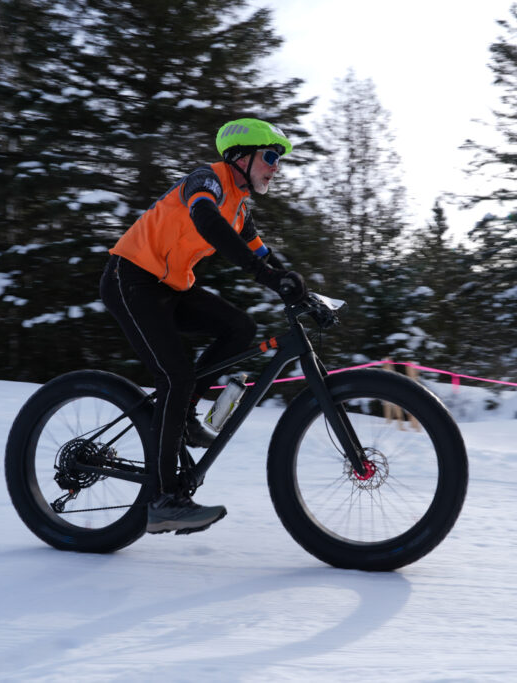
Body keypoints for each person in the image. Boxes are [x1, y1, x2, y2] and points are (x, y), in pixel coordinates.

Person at [99, 118, 307, 535]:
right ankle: (163, 501)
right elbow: (205, 219)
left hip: (170, 288)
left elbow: (262, 254)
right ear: (241, 156)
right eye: (270, 157)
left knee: (239, 328)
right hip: (131, 279)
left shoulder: (239, 208)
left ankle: (185, 415)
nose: (275, 167)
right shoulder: (207, 180)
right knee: (175, 375)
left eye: (278, 160)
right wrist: (263, 276)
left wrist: (301, 292)